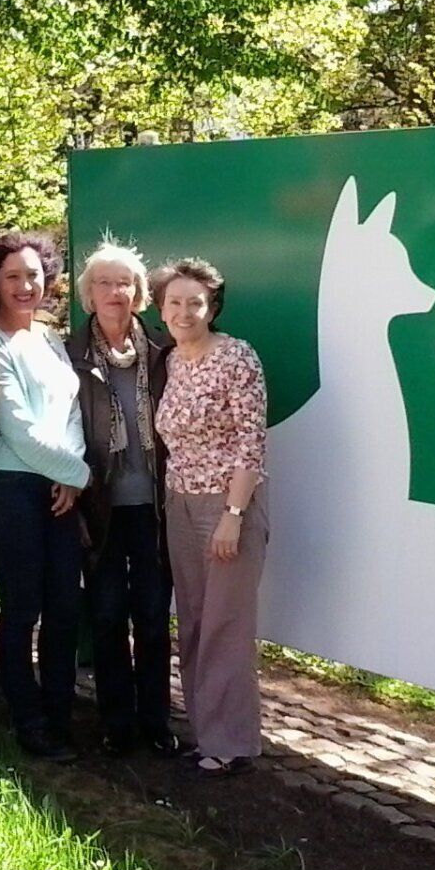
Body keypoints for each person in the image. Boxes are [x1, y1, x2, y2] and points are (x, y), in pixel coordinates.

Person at [0, 231, 89, 761]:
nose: (25, 286)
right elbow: (16, 427)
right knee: (23, 608)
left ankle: (61, 711)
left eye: (34, 276)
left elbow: (71, 412)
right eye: (13, 277)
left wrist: (70, 472)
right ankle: (27, 718)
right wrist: (82, 475)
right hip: (10, 490)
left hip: (61, 487)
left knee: (66, 606)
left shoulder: (49, 339)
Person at [151, 257, 268, 777]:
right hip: (179, 505)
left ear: (212, 307)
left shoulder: (237, 357)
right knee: (196, 623)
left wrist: (234, 514)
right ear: (160, 309)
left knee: (226, 626)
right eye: (174, 302)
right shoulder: (173, 362)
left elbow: (250, 443)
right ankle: (204, 734)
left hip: (228, 507)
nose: (184, 311)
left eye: (194, 303)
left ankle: (231, 743)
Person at [66, 240, 180, 759]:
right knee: (108, 614)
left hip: (155, 508)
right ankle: (117, 722)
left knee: (154, 616)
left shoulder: (164, 355)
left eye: (126, 283)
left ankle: (156, 720)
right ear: (88, 295)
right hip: (100, 507)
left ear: (140, 295)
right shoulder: (67, 356)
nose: (116, 292)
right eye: (105, 283)